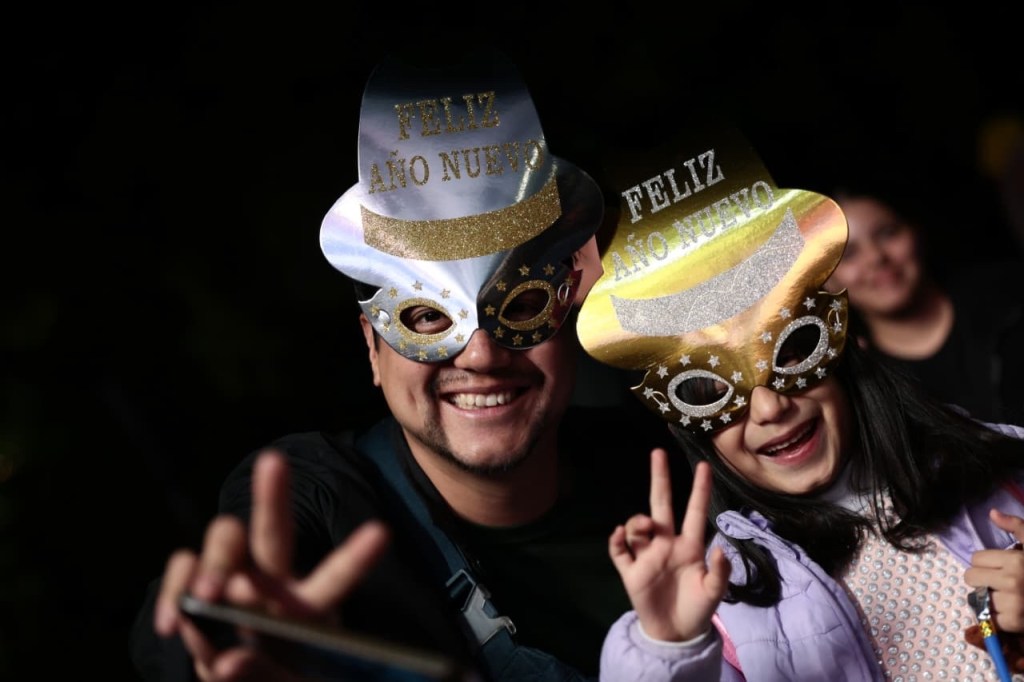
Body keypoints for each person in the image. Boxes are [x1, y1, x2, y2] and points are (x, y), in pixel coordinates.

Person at [129, 51, 682, 681]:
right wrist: (216, 634)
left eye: (522, 306)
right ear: (372, 347)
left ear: (569, 315)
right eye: (427, 317)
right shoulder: (324, 496)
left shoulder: (654, 467)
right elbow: (211, 607)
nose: (481, 353)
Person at [575, 133, 1024, 681]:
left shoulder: (1004, 475)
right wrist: (667, 650)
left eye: (789, 354)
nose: (768, 407)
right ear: (688, 428)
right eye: (711, 391)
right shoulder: (720, 601)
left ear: (844, 353)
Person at [822, 181, 1024, 426]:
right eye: (849, 254)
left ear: (915, 232)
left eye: (887, 233)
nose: (876, 257)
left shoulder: (1010, 290)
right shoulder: (866, 383)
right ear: (829, 281)